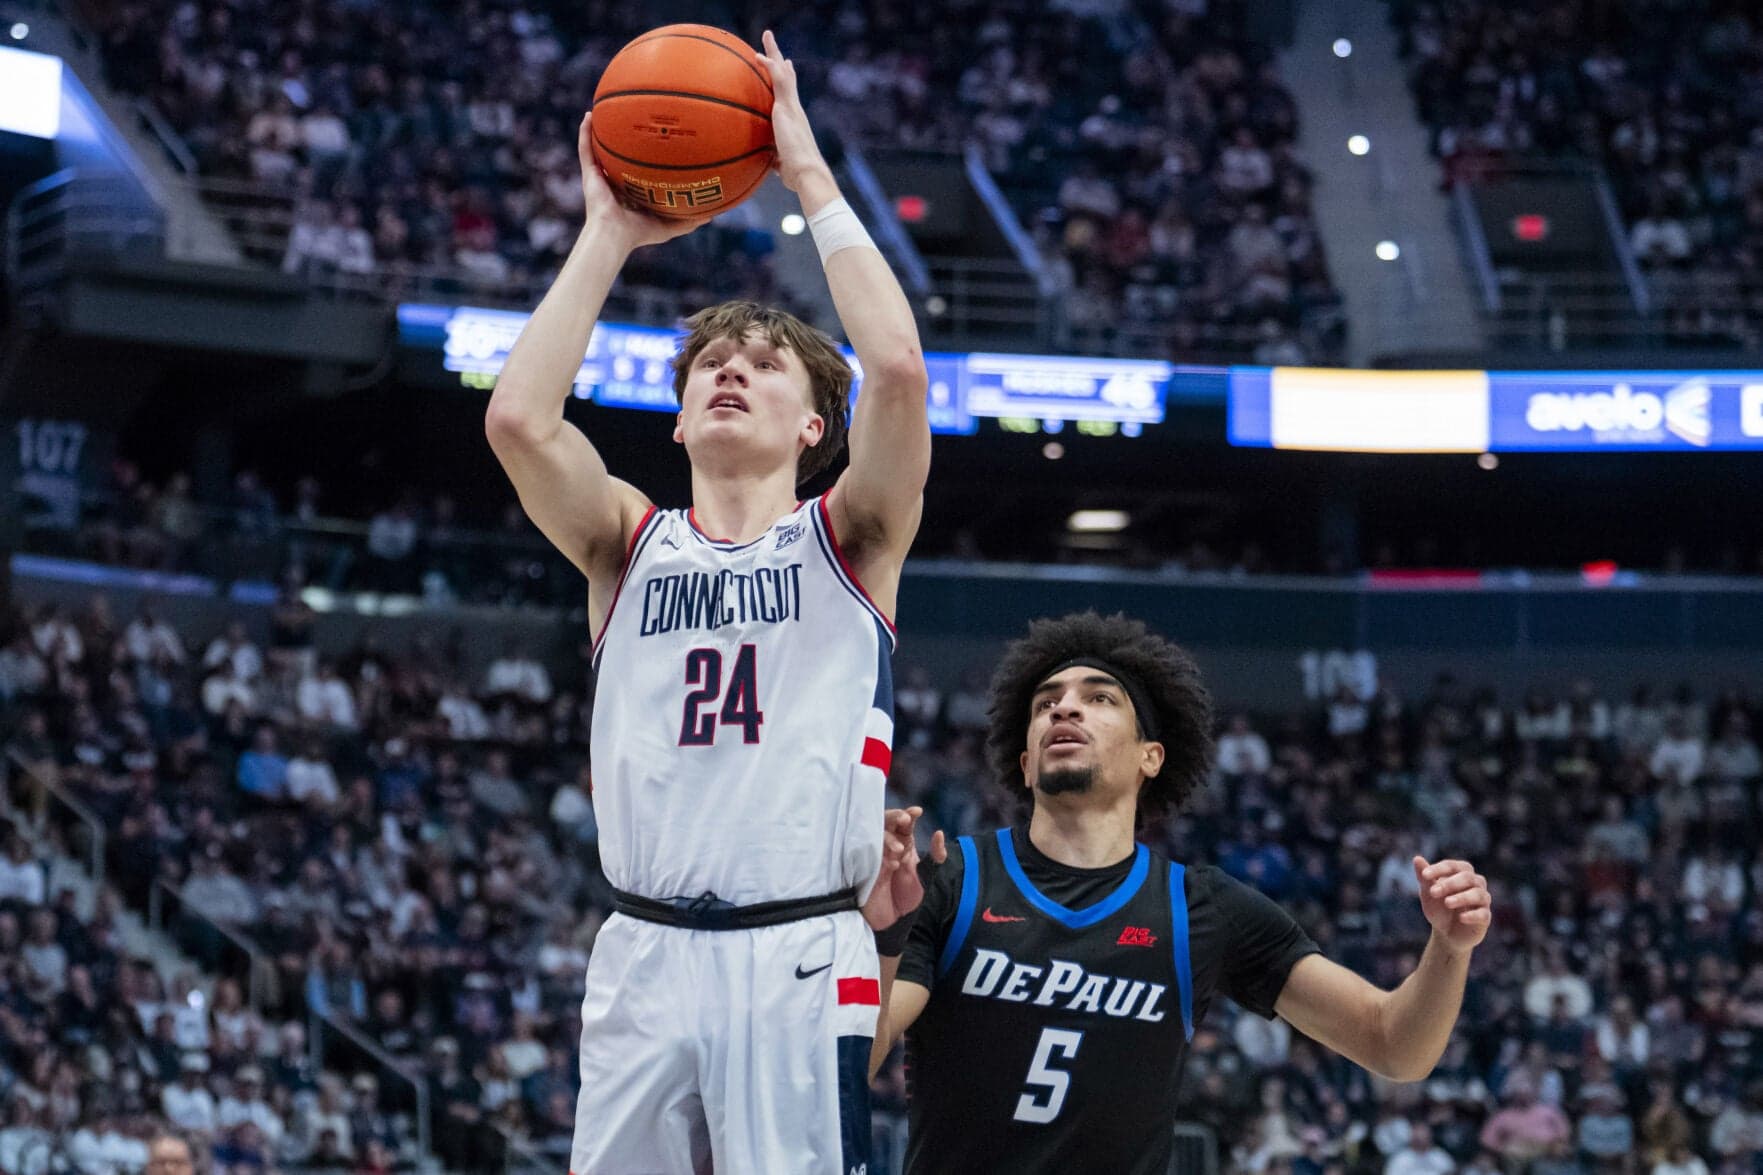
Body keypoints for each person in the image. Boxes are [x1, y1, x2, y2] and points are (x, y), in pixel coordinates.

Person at [483, 31, 930, 1175]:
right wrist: (608, 232)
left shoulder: (850, 535)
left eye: (764, 364)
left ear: (811, 426)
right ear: (676, 419)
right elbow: (520, 421)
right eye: (710, 365)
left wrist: (809, 178)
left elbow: (897, 370)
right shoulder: (626, 542)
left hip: (796, 949)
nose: (731, 369)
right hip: (641, 947)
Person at [867, 612, 1491, 1174]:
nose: (1064, 710)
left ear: (1151, 757)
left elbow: (1394, 1045)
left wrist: (1451, 946)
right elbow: (853, 1064)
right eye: (1045, 704)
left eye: (1099, 698)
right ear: (1025, 763)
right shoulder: (951, 878)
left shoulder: (1202, 910)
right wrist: (887, 937)